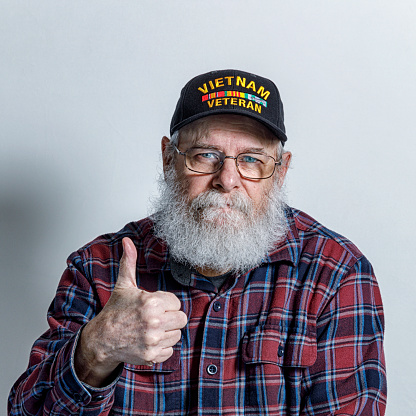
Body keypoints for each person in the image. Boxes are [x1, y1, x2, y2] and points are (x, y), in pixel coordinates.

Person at [8, 69, 387, 415]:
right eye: (206, 155)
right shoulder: (97, 268)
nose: (227, 179)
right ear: (168, 159)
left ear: (281, 171)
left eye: (252, 159)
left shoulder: (336, 274)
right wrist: (97, 349)